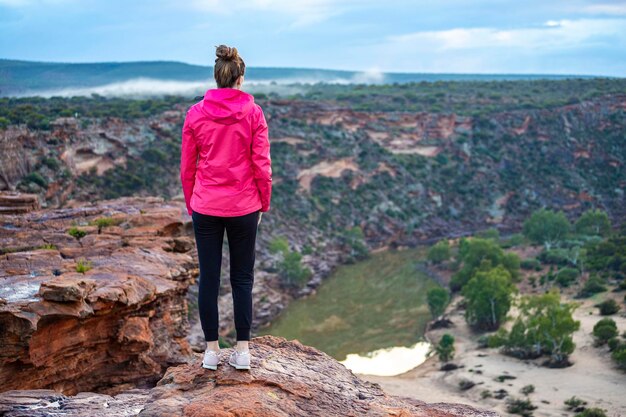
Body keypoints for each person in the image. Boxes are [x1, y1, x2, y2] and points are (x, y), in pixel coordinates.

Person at [180, 44, 272, 371]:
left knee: (209, 278)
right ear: (240, 79)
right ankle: (243, 351)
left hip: (205, 205)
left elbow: (187, 168)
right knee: (242, 278)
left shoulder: (195, 114)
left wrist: (193, 202)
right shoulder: (254, 113)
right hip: (245, 206)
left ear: (217, 77)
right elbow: (261, 163)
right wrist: (263, 201)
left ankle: (210, 352)